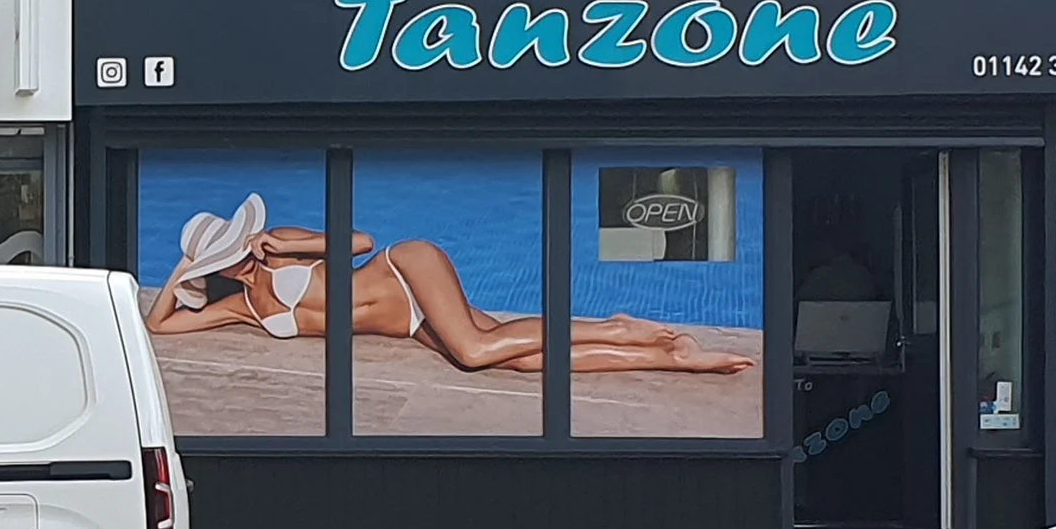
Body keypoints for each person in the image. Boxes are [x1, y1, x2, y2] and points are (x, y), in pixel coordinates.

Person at [148, 193, 753, 375]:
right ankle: (664, 354)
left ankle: (623, 331)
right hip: (408, 321)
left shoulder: (280, 245)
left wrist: (292, 246)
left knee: (474, 350)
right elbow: (162, 325)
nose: (233, 261)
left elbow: (361, 241)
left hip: (405, 268)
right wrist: (182, 270)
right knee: (522, 362)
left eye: (230, 249)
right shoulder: (244, 308)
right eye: (218, 261)